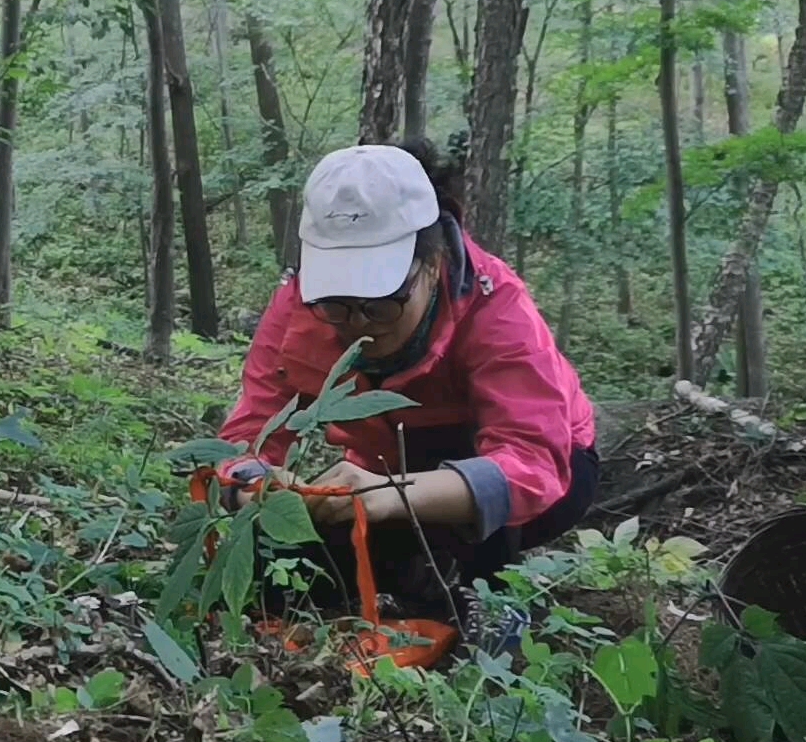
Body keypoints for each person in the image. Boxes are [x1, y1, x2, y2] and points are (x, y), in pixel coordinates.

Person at [215, 141, 598, 649]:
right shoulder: (297, 308)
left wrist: (393, 495)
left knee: (468, 534)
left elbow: (533, 463)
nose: (358, 326)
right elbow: (245, 440)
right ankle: (413, 569)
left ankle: (494, 599)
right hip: (380, 464)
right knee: (301, 570)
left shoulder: (496, 306)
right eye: (338, 306)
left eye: (380, 304)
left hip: (544, 472)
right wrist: (259, 484)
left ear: (432, 259)